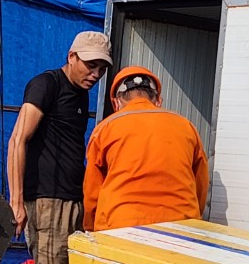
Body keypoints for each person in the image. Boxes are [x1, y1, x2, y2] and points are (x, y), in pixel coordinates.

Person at [6, 31, 111, 264]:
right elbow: (18, 139)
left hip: (72, 200)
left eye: (101, 66)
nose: (95, 72)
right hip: (47, 202)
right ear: (72, 56)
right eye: (90, 63)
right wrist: (17, 202)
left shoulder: (81, 95)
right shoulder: (46, 84)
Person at [83, 66, 209, 232]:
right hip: (181, 226)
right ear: (158, 100)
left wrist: (90, 229)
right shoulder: (186, 126)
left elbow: (92, 191)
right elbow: (201, 182)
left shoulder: (105, 129)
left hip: (119, 226)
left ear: (116, 102)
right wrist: (192, 217)